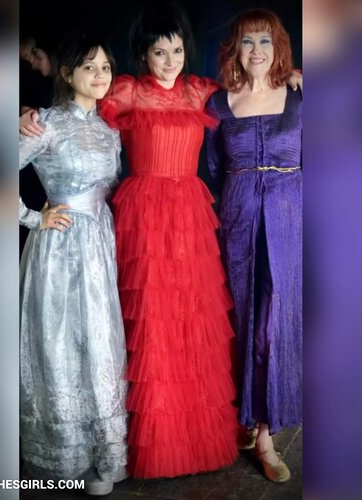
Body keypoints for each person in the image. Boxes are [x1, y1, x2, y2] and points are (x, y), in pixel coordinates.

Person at [19, 4, 302, 480]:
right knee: (148, 324)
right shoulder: (125, 90)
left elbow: (249, 86)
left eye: (176, 51)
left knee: (195, 320)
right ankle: (148, 439)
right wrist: (30, 113)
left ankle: (202, 433)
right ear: (144, 56)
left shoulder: (201, 92)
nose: (170, 61)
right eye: (159, 52)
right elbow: (79, 101)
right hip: (143, 218)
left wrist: (292, 74)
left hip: (191, 215)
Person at [19, 36, 128, 496]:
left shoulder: (109, 131)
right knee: (62, 343)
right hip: (59, 249)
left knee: (100, 342)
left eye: (105, 67)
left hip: (100, 246)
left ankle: (104, 456)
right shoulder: (44, 123)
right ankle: (70, 454)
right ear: (67, 73)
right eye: (89, 66)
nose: (100, 75)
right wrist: (32, 217)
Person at [205, 9, 302, 483]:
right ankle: (245, 415)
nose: (257, 50)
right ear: (235, 50)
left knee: (272, 326)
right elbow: (212, 169)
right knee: (238, 322)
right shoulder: (218, 104)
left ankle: (265, 434)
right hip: (237, 223)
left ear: (278, 46)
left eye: (265, 40)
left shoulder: (302, 96)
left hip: (290, 223)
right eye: (247, 41)